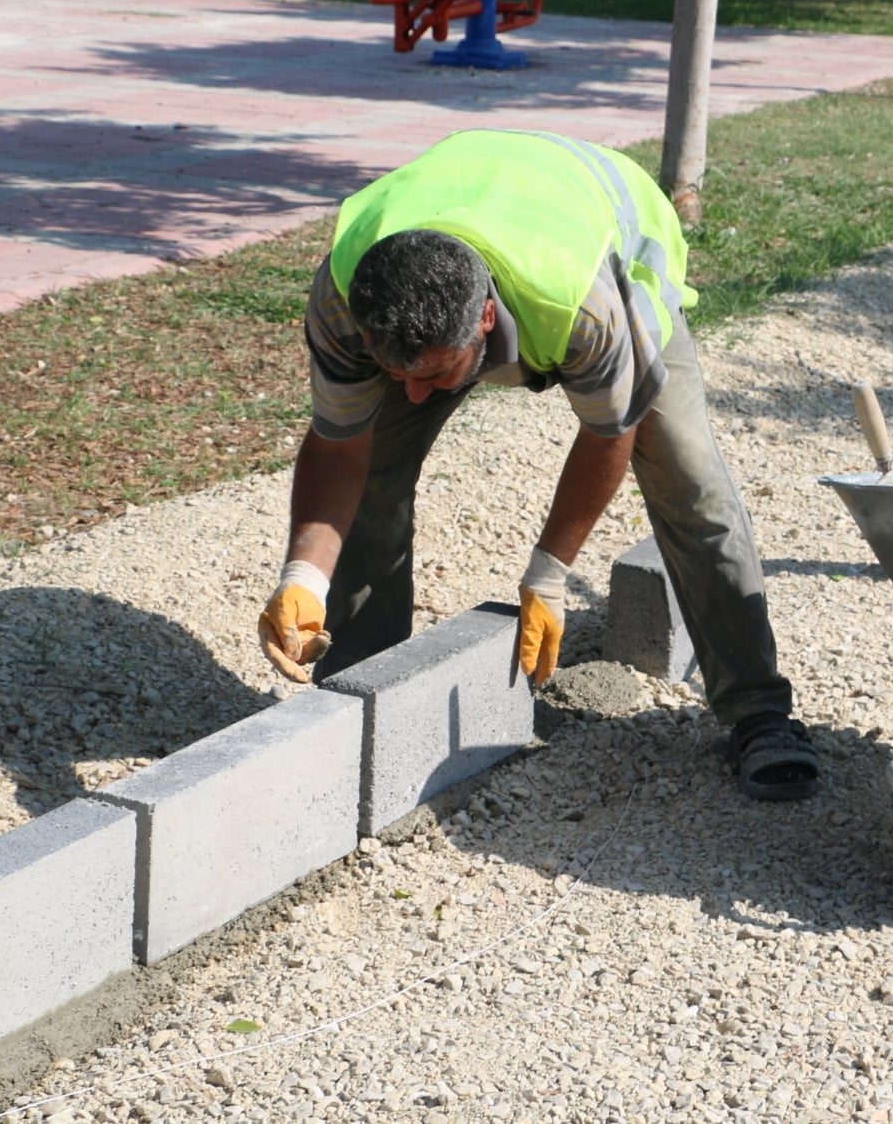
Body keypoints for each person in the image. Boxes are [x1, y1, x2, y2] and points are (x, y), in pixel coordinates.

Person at [256, 128, 818, 801]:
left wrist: (549, 572)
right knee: (376, 460)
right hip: (472, 208)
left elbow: (611, 431)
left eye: (434, 374)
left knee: (689, 482)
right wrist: (303, 577)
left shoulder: (580, 304)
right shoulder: (345, 300)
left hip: (607, 235)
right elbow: (340, 449)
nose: (410, 392)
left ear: (486, 318)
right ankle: (359, 692)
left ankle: (759, 711)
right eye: (392, 370)